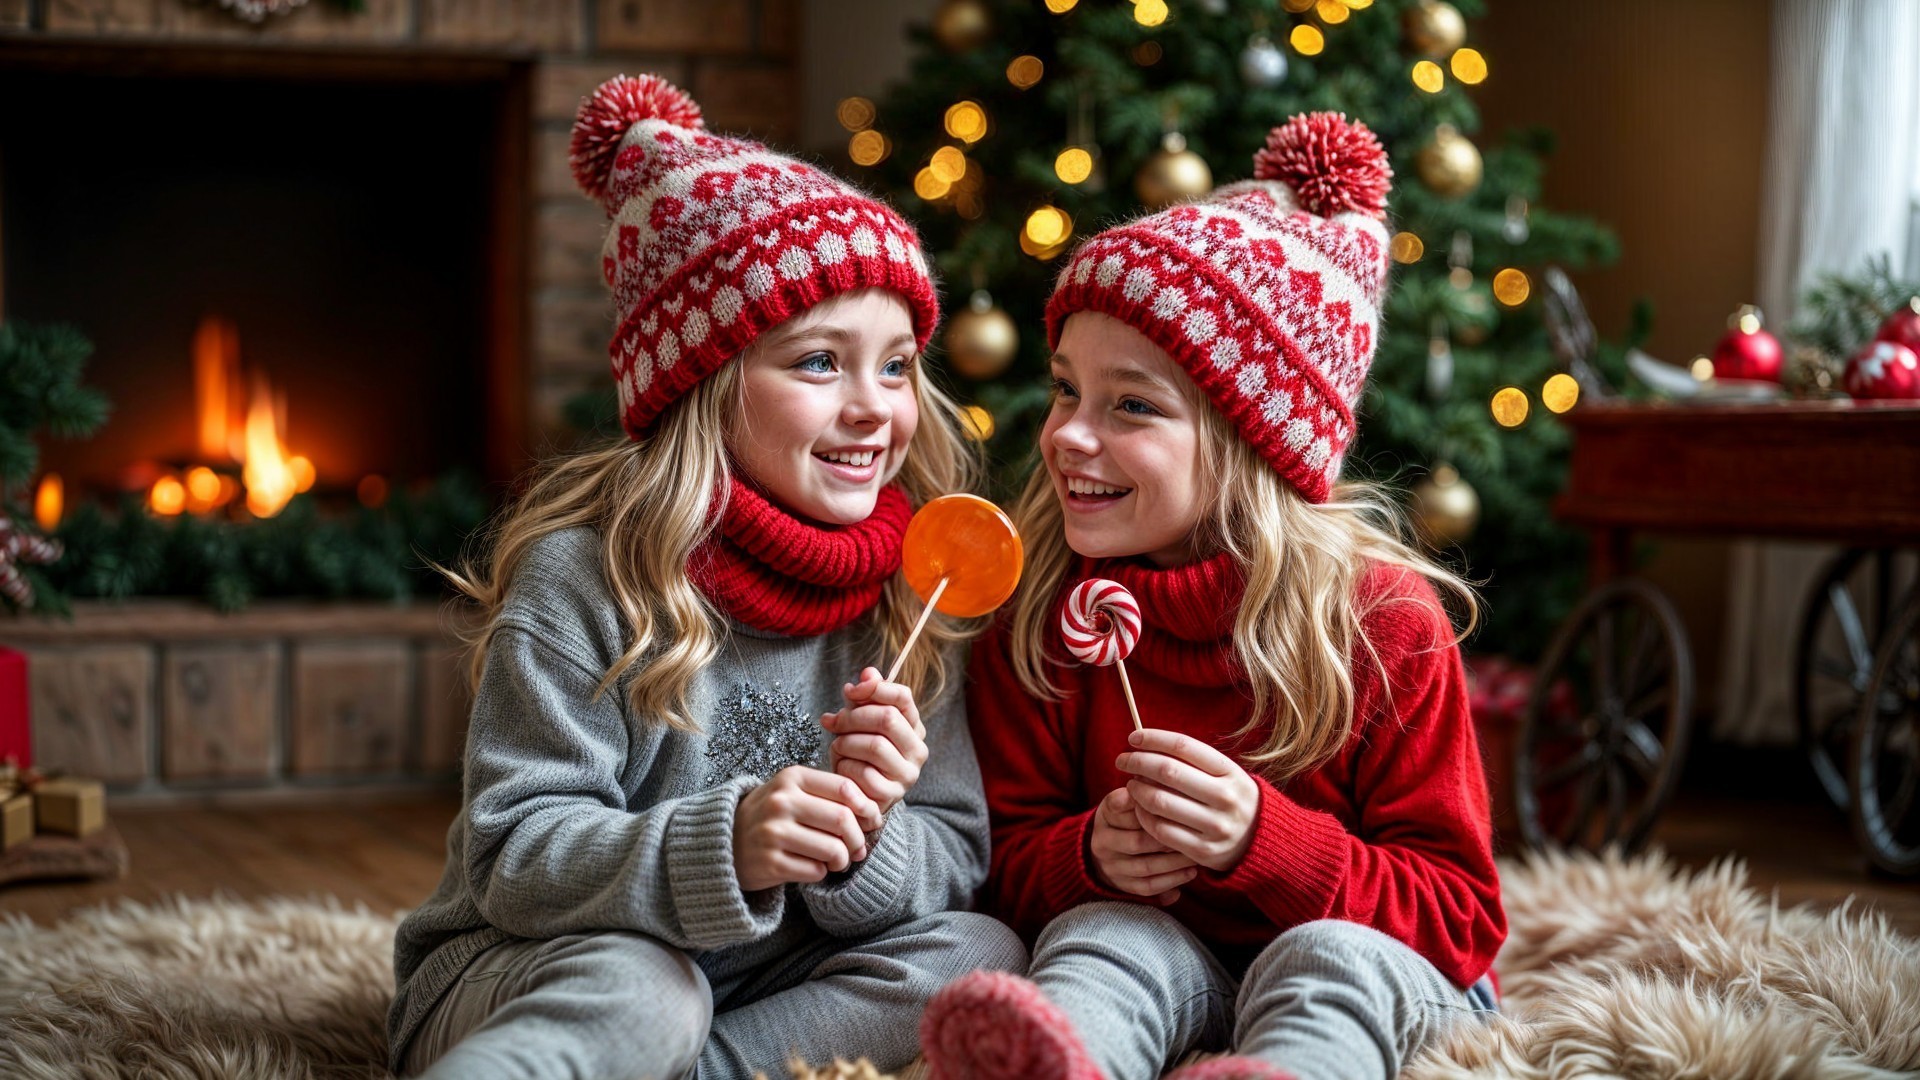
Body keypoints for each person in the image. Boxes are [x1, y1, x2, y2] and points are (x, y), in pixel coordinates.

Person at [387, 74, 1023, 1080]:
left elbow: (952, 857)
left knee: (982, 960)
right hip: (542, 963)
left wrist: (862, 844)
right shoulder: (588, 578)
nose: (874, 408)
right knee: (649, 990)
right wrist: (726, 844)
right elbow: (513, 856)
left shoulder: (916, 591)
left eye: (897, 366)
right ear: (705, 385)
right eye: (820, 363)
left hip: (761, 983)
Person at [922, 113, 1504, 1080]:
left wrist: (1264, 843)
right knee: (1106, 941)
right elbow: (999, 866)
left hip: (1364, 948)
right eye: (1067, 389)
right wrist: (1089, 859)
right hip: (1169, 951)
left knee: (1327, 965)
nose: (1066, 434)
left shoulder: (1384, 624)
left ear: (1252, 444)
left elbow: (1461, 918)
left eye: (1132, 405)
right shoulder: (1044, 614)